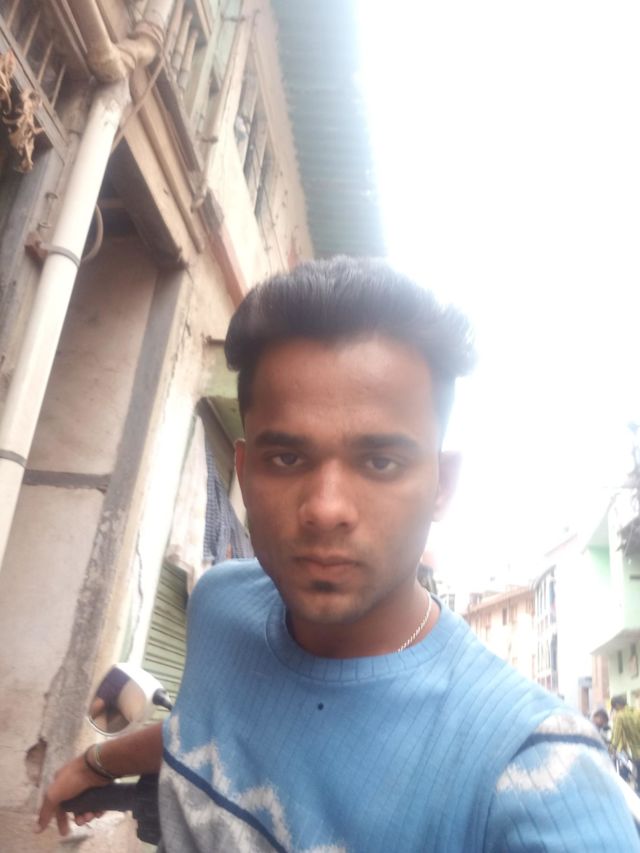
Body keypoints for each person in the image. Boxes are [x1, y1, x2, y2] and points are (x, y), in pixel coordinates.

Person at [38, 258, 640, 850]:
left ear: (442, 484)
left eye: (380, 461)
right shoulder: (219, 602)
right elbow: (199, 729)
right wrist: (95, 763)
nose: (326, 508)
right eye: (286, 458)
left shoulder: (528, 770)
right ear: (243, 472)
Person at [611, 694, 640, 788]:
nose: (615, 710)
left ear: (618, 705)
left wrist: (611, 749)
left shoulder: (620, 716)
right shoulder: (637, 711)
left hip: (637, 753)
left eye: (614, 708)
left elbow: (616, 737)